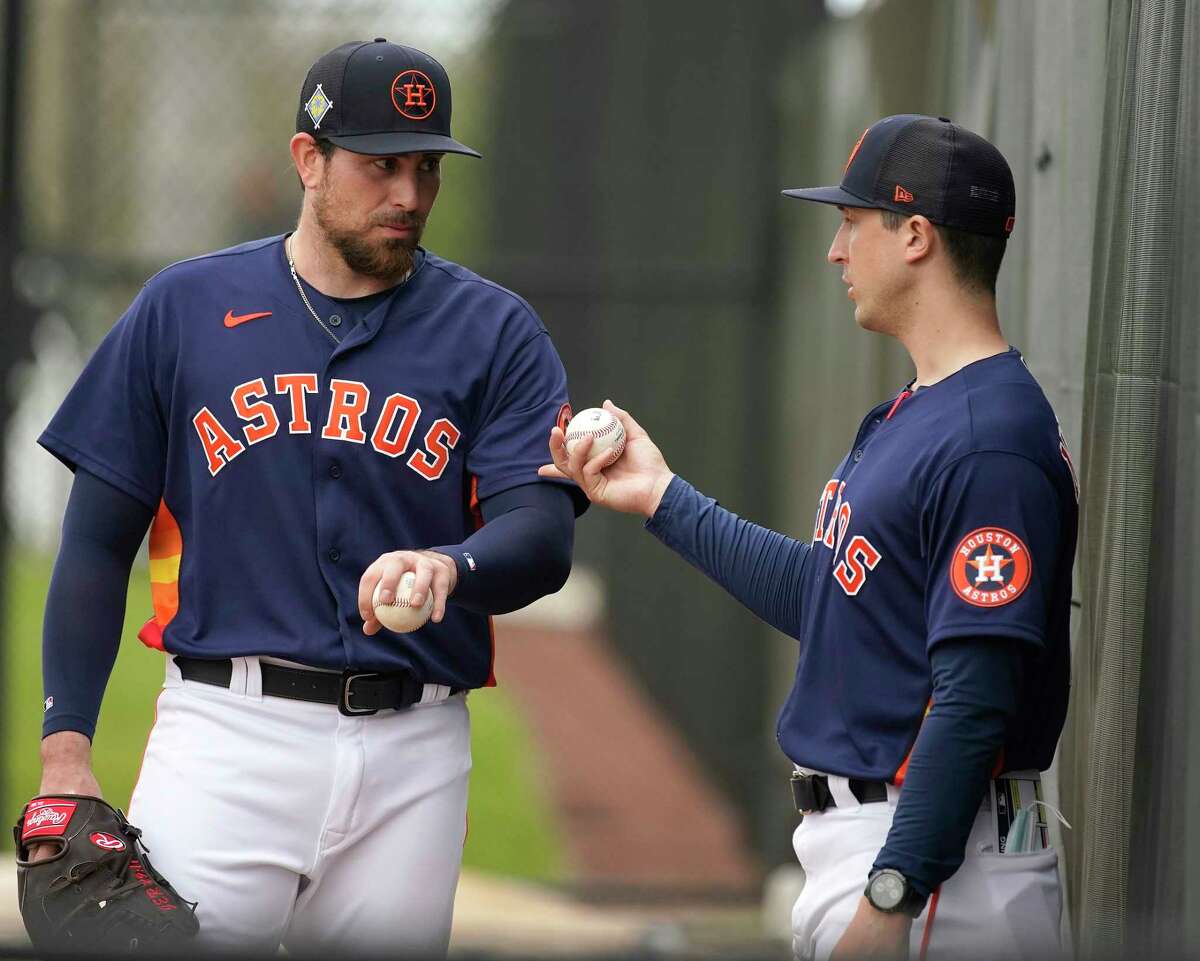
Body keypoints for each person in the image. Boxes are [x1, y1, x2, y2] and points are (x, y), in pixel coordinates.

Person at [30, 38, 584, 957]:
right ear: (309, 160)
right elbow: (94, 540)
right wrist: (66, 750)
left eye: (426, 168)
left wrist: (454, 563)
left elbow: (542, 532)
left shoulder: (495, 331)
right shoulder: (184, 309)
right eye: (379, 166)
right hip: (224, 734)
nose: (408, 195)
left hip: (416, 746)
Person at [542, 115, 1078, 961]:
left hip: (936, 869)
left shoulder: (990, 439)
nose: (836, 251)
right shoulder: (918, 411)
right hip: (892, 852)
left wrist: (893, 894)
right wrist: (664, 498)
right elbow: (834, 599)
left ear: (914, 236)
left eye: (851, 223)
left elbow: (976, 698)